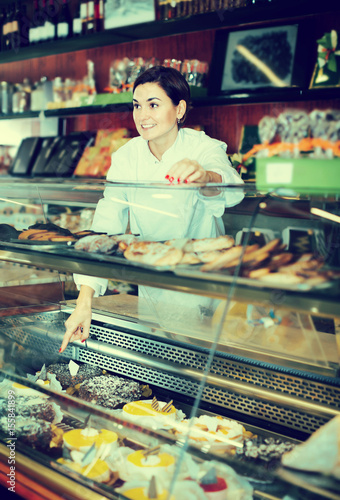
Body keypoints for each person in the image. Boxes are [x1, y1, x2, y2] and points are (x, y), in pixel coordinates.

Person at [59, 65, 244, 353]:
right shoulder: (126, 156)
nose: (142, 116)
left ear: (179, 109)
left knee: (205, 374)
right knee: (161, 369)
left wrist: (205, 176)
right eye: (137, 106)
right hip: (152, 287)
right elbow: (106, 227)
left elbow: (233, 188)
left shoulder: (203, 147)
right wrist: (85, 301)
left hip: (204, 289)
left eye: (153, 105)